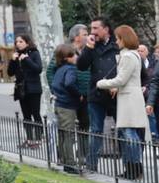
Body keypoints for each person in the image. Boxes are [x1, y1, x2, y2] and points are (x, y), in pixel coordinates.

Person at [95, 25, 149, 180]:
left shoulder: (128, 56)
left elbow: (121, 79)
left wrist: (101, 83)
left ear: (124, 39)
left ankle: (135, 168)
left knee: (129, 134)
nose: (116, 41)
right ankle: (132, 168)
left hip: (129, 98)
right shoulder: (133, 55)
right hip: (129, 96)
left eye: (118, 38)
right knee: (128, 134)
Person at [78, 17, 119, 173]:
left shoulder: (118, 44)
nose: (92, 32)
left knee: (122, 129)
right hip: (96, 94)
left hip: (116, 93)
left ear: (106, 29)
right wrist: (88, 47)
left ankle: (131, 167)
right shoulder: (91, 46)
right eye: (91, 28)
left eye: (96, 28)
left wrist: (116, 85)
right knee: (95, 129)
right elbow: (81, 66)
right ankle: (91, 165)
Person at [50, 44, 85, 174]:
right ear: (66, 57)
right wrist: (79, 94)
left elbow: (54, 84)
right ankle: (70, 164)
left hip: (59, 104)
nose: (76, 57)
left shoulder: (59, 69)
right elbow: (69, 83)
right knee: (68, 134)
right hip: (67, 105)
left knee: (63, 134)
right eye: (73, 55)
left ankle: (65, 160)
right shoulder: (70, 69)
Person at [7, 34, 43, 148]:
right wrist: (12, 61)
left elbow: (38, 69)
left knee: (35, 114)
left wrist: (27, 59)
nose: (18, 44)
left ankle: (37, 140)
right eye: (17, 42)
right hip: (21, 89)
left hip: (34, 89)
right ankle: (29, 139)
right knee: (26, 115)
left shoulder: (34, 53)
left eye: (21, 41)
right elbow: (10, 73)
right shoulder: (16, 55)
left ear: (27, 43)